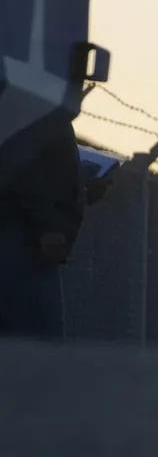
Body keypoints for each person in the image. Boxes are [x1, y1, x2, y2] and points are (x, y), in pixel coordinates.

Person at [0, 114, 86, 342]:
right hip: (23, 241)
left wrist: (82, 191)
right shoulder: (33, 101)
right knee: (39, 348)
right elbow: (22, 167)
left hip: (28, 236)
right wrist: (47, 224)